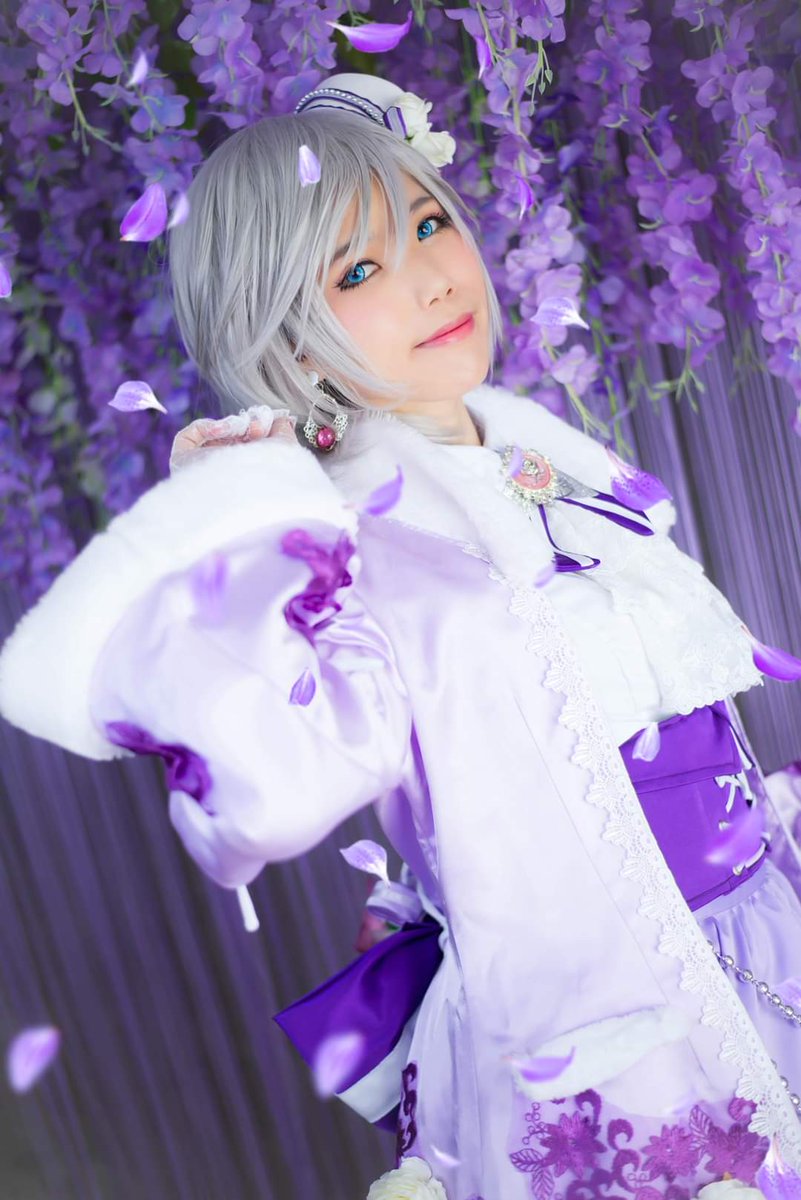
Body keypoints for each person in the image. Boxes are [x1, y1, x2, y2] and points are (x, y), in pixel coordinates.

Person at [2, 71, 801, 1200]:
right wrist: (244, 537)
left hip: (765, 941)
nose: (433, 276)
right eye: (359, 270)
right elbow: (271, 793)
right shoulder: (344, 546)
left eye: (428, 223)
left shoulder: (542, 460)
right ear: (290, 338)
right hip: (607, 1026)